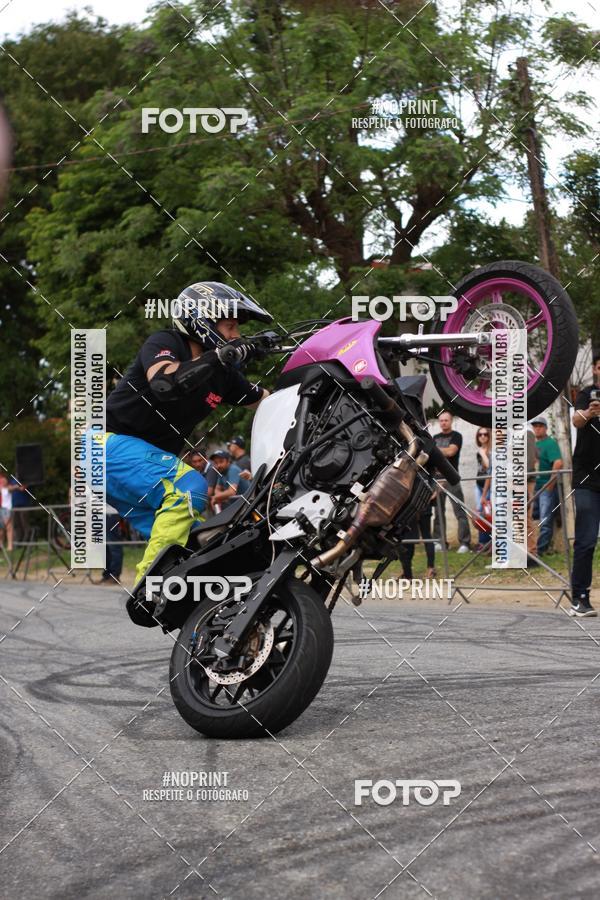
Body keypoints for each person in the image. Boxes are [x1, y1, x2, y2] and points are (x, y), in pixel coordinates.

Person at [103, 281, 272, 588]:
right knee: (190, 485)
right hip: (105, 446)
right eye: (231, 326)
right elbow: (165, 383)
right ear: (202, 321)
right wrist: (219, 356)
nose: (236, 336)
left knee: (195, 544)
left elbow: (267, 400)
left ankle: (199, 618)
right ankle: (150, 585)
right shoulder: (165, 342)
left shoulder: (225, 376)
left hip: (141, 467)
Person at [568, 356, 600, 617]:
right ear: (595, 369)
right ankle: (580, 597)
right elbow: (576, 421)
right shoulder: (587, 394)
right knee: (587, 540)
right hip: (587, 478)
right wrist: (590, 412)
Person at [432, 412, 472, 552]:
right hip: (437, 479)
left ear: (451, 421)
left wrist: (434, 450)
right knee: (438, 512)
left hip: (451, 478)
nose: (443, 423)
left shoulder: (456, 436)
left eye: (446, 420)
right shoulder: (434, 437)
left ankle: (465, 543)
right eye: (441, 420)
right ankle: (439, 542)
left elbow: (451, 452)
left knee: (459, 511)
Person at [531, 416, 562, 555]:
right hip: (532, 487)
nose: (537, 428)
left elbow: (558, 463)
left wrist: (550, 483)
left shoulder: (550, 443)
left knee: (545, 520)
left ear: (545, 428)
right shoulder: (532, 444)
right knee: (530, 518)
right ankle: (531, 548)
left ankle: (541, 549)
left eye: (540, 426)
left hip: (544, 487)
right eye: (535, 426)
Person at [474, 427, 492, 550]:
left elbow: (489, 467)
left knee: (489, 514)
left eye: (485, 434)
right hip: (479, 484)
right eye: (480, 435)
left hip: (489, 486)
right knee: (479, 513)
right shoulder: (479, 450)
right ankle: (482, 542)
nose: (483, 437)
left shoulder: (491, 451)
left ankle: (489, 542)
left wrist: (482, 453)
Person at [0, 472, 14, 551]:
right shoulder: (1, 488)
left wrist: (18, 487)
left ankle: (10, 546)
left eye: (3, 480)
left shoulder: (8, 488)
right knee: (1, 528)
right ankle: (1, 545)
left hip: (7, 509)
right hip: (1, 509)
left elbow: (13, 488)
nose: (2, 481)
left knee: (9, 527)